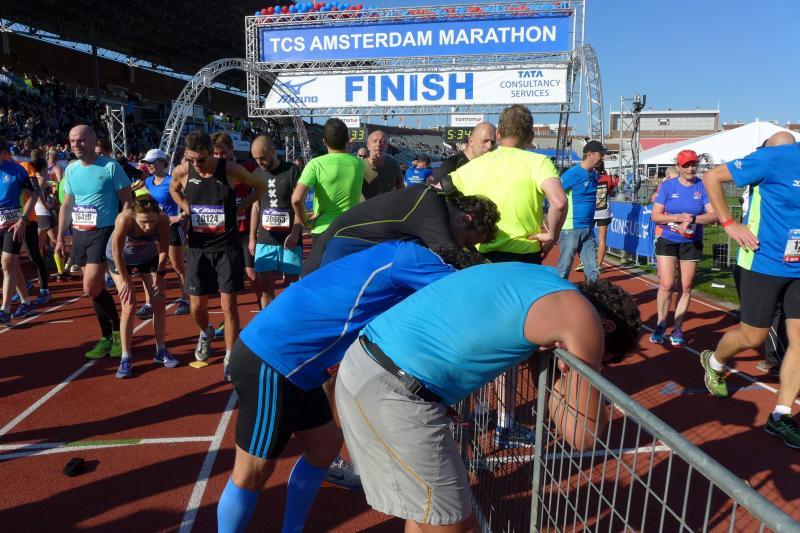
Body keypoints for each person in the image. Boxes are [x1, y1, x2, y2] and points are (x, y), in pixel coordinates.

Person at [336, 265, 641, 532]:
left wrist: (559, 370)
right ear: (605, 327)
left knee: (429, 514)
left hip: (373, 369)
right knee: (454, 523)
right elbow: (582, 435)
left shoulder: (543, 281)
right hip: (394, 391)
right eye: (603, 356)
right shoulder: (579, 316)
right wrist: (585, 373)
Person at [217, 240, 483, 533]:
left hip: (297, 366)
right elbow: (470, 294)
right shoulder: (415, 260)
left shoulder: (402, 263)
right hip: (273, 359)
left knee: (325, 445)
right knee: (252, 470)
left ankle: (292, 530)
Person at [700, 133, 800, 449]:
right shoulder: (777, 156)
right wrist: (729, 223)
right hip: (763, 261)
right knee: (753, 337)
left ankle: (781, 416)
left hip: (798, 268)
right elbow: (712, 177)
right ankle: (715, 362)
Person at [169, 131, 266, 378]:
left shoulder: (230, 170)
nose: (196, 165)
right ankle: (205, 332)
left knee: (228, 305)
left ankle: (230, 355)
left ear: (211, 153)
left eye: (200, 160)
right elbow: (173, 189)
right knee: (196, 306)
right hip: (198, 248)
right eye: (190, 159)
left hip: (226, 247)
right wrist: (186, 207)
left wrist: (240, 208)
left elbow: (260, 186)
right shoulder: (183, 172)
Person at [448, 104, 567, 264]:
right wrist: (552, 235)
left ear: (498, 134)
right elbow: (559, 203)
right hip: (524, 254)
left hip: (481, 255)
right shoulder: (539, 162)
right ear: (531, 137)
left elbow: (437, 190)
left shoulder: (471, 166)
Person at [302, 185, 499, 276]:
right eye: (467, 242)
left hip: (350, 252)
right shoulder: (430, 206)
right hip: (341, 250)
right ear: (465, 219)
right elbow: (450, 253)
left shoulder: (435, 203)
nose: (463, 246)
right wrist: (492, 275)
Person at [56, 125, 132, 358]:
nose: (76, 145)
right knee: (95, 289)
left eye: (80, 140)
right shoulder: (71, 169)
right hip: (80, 232)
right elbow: (67, 204)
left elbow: (127, 202)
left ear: (92, 141)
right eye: (72, 141)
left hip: (104, 231)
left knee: (90, 286)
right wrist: (60, 238)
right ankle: (107, 336)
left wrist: (122, 232)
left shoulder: (110, 166)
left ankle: (116, 332)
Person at [649, 149, 717, 346]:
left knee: (686, 286)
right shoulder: (668, 186)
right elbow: (655, 216)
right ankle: (661, 323)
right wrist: (677, 218)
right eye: (686, 165)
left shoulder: (702, 186)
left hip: (691, 242)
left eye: (693, 164)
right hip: (668, 240)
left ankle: (677, 328)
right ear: (678, 166)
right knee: (667, 284)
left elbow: (714, 215)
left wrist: (693, 219)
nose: (690, 168)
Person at [106, 194, 178, 378]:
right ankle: (126, 357)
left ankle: (161, 351)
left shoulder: (163, 219)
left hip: (147, 257)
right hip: (120, 259)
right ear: (134, 216)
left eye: (151, 221)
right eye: (143, 222)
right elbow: (116, 252)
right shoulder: (124, 220)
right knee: (129, 305)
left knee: (159, 301)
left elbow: (163, 248)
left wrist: (160, 274)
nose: (148, 227)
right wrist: (125, 281)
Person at [291, 118, 364, 251]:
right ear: (347, 140)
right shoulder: (359, 164)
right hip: (350, 229)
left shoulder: (315, 164)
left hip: (323, 230)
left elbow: (296, 199)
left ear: (324, 141)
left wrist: (305, 222)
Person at [249, 135, 302, 308]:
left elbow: (299, 204)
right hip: (265, 239)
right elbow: (255, 207)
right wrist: (252, 238)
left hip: (290, 239)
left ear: (273, 152)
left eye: (262, 158)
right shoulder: (256, 174)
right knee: (266, 290)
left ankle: (289, 321)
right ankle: (268, 321)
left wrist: (295, 233)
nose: (259, 162)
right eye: (256, 159)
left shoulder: (292, 170)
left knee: (292, 289)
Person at [212, 132, 262, 312]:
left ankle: (262, 305)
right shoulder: (210, 171)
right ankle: (228, 315)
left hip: (245, 229)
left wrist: (241, 209)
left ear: (231, 150)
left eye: (223, 153)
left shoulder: (247, 167)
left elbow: (259, 191)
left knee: (251, 274)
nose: (220, 157)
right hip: (224, 231)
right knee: (225, 277)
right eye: (216, 154)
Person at [142, 148, 189, 315]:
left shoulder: (172, 181)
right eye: (147, 163)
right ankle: (150, 303)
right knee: (152, 267)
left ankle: (186, 299)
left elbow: (189, 203)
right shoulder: (148, 181)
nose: (149, 165)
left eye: (152, 162)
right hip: (153, 229)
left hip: (172, 229)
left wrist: (180, 217)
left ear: (163, 163)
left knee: (178, 266)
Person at [556, 141, 607, 282]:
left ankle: (593, 294)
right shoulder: (573, 173)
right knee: (564, 269)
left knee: (592, 269)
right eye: (600, 154)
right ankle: (558, 294)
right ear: (590, 154)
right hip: (571, 227)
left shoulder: (594, 175)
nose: (602, 158)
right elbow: (554, 191)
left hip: (588, 228)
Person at [0, 139, 38, 324]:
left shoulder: (17, 170)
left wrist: (23, 219)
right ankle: (26, 302)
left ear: (2, 153)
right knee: (13, 265)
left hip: (13, 223)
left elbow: (33, 194)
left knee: (7, 262)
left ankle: (5, 309)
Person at [430, 122, 497, 184]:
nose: (489, 146)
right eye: (485, 141)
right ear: (471, 141)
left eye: (493, 142)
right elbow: (433, 189)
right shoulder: (452, 165)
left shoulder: (491, 168)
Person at [362, 130, 403, 199]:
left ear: (387, 146)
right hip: (365, 205)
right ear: (368, 145)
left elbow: (401, 190)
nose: (378, 144)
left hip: (387, 205)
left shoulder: (394, 165)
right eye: (374, 141)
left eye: (383, 142)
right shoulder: (359, 166)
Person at [593, 165, 618, 270]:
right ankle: (599, 265)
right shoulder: (609, 178)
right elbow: (612, 192)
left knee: (586, 237)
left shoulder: (589, 176)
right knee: (602, 239)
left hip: (591, 211)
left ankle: (586, 261)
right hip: (604, 212)